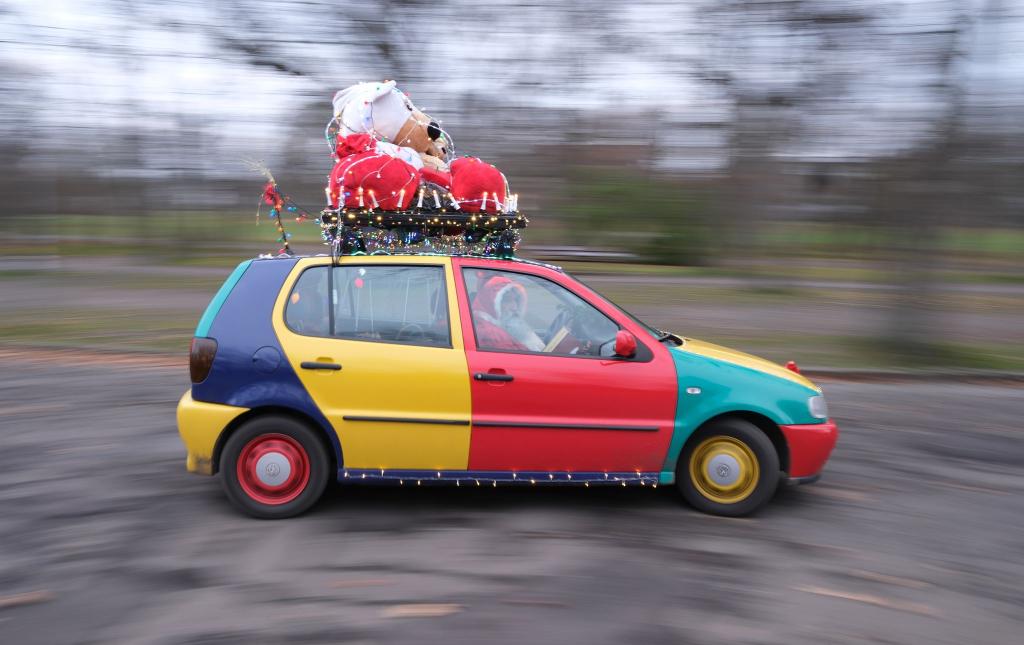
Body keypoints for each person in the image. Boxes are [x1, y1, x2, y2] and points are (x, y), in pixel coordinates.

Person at [471, 275, 545, 351]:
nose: (515, 307)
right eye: (508, 300)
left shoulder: (499, 327)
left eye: (516, 300)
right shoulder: (492, 335)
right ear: (492, 303)